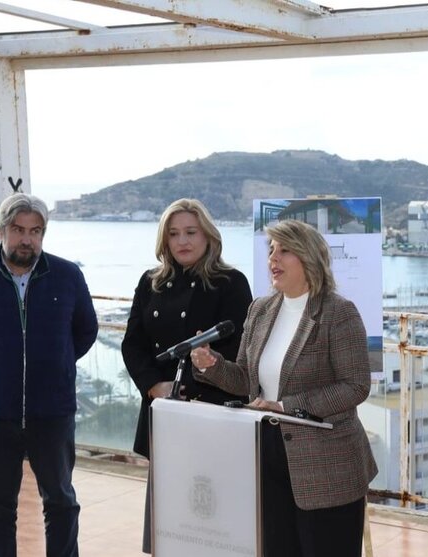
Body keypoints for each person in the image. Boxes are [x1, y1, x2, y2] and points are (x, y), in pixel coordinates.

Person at [191, 219, 377, 557]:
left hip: (327, 468)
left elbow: (356, 386)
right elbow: (246, 381)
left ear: (308, 258)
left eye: (284, 250)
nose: (273, 259)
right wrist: (213, 366)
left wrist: (287, 405)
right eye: (271, 250)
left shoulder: (339, 313)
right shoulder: (260, 309)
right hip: (267, 457)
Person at [0, 192, 98, 557]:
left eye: (36, 231)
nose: (27, 239)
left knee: (61, 500)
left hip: (53, 410)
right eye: (18, 230)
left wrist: (54, 365)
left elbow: (85, 331)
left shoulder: (67, 275)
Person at [121, 198, 252, 553]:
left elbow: (239, 350)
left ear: (208, 235)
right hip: (164, 411)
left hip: (214, 411)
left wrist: (185, 386)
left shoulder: (231, 283)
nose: (183, 241)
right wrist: (154, 386)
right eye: (174, 234)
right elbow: (132, 345)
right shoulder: (150, 283)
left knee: (216, 518)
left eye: (191, 232)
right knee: (172, 519)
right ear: (165, 241)